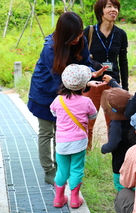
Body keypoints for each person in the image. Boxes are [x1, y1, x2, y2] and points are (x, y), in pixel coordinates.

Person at [27, 11, 106, 185]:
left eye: (79, 34)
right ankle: (49, 170)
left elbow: (85, 64)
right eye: (74, 36)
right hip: (46, 93)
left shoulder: (80, 40)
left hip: (69, 90)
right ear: (64, 34)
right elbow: (60, 79)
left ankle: (60, 168)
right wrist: (86, 83)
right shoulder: (50, 48)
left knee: (61, 132)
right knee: (46, 132)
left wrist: (91, 75)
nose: (78, 39)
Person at [50, 64, 98, 208]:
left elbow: (53, 112)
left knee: (62, 169)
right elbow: (93, 115)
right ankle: (75, 199)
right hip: (79, 142)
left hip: (62, 142)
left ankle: (59, 198)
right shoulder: (86, 101)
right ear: (83, 85)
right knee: (76, 169)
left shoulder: (58, 100)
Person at [83, 0, 129, 150]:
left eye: (115, 7)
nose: (113, 10)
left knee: (114, 124)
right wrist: (97, 66)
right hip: (92, 84)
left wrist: (124, 88)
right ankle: (85, 155)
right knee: (87, 123)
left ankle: (115, 158)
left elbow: (123, 61)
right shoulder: (89, 32)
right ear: (100, 11)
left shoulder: (121, 34)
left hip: (112, 85)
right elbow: (83, 57)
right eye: (109, 6)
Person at [100, 75, 136, 192]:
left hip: (120, 160)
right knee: (134, 180)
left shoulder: (116, 124)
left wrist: (104, 148)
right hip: (134, 157)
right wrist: (112, 82)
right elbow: (123, 96)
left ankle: (124, 199)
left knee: (121, 185)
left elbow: (113, 143)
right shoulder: (134, 115)